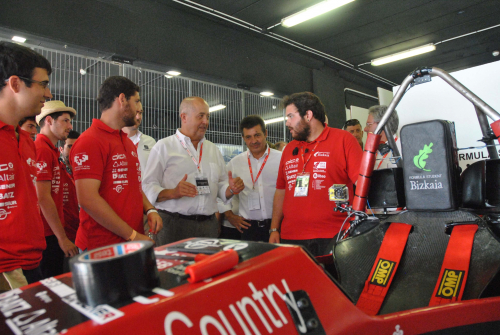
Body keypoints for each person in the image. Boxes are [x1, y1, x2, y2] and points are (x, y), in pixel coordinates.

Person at [70, 76, 162, 251]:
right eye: (136, 101)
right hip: (101, 247)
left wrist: (150, 209)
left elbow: (133, 185)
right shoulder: (90, 141)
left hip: (128, 244)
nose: (138, 109)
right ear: (121, 100)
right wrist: (132, 236)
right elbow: (88, 199)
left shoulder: (125, 141)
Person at [268, 92, 363, 256]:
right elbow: (281, 190)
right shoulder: (289, 149)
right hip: (292, 237)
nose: (287, 123)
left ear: (308, 115)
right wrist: (274, 228)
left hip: (335, 235)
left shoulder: (343, 140)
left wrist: (359, 226)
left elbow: (363, 185)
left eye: (291, 116)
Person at [142, 96, 244, 245]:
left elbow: (221, 187)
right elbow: (147, 186)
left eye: (207, 117)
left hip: (208, 226)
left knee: (207, 268)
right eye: (200, 116)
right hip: (174, 225)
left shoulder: (213, 150)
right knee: (174, 268)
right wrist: (173, 192)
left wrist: (231, 189)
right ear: (184, 117)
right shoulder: (163, 147)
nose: (206, 122)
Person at [0, 42, 51, 289]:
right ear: (15, 84)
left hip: (33, 262)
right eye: (43, 84)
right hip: (7, 271)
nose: (48, 94)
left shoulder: (24, 140)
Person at [35, 100, 78, 278]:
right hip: (47, 235)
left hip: (52, 232)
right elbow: (43, 197)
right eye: (65, 120)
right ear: (49, 121)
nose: (70, 126)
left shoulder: (50, 150)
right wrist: (62, 238)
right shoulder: (42, 150)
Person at [222, 115, 282, 242]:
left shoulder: (281, 159)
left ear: (266, 133)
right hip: (249, 229)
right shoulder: (235, 163)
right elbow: (219, 193)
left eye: (257, 135)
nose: (253, 141)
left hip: (278, 226)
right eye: (248, 137)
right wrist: (229, 215)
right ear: (243, 138)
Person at [364, 105, 401, 170]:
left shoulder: (402, 149)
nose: (365, 129)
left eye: (368, 124)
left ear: (382, 125)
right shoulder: (373, 149)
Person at [122, 102, 156, 171]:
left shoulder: (150, 142)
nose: (138, 117)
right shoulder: (113, 141)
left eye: (140, 113)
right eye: (135, 112)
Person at [60, 130, 80, 243]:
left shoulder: (88, 173)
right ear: (61, 149)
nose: (73, 150)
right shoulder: (56, 171)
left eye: (76, 146)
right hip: (64, 237)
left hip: (84, 234)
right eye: (69, 146)